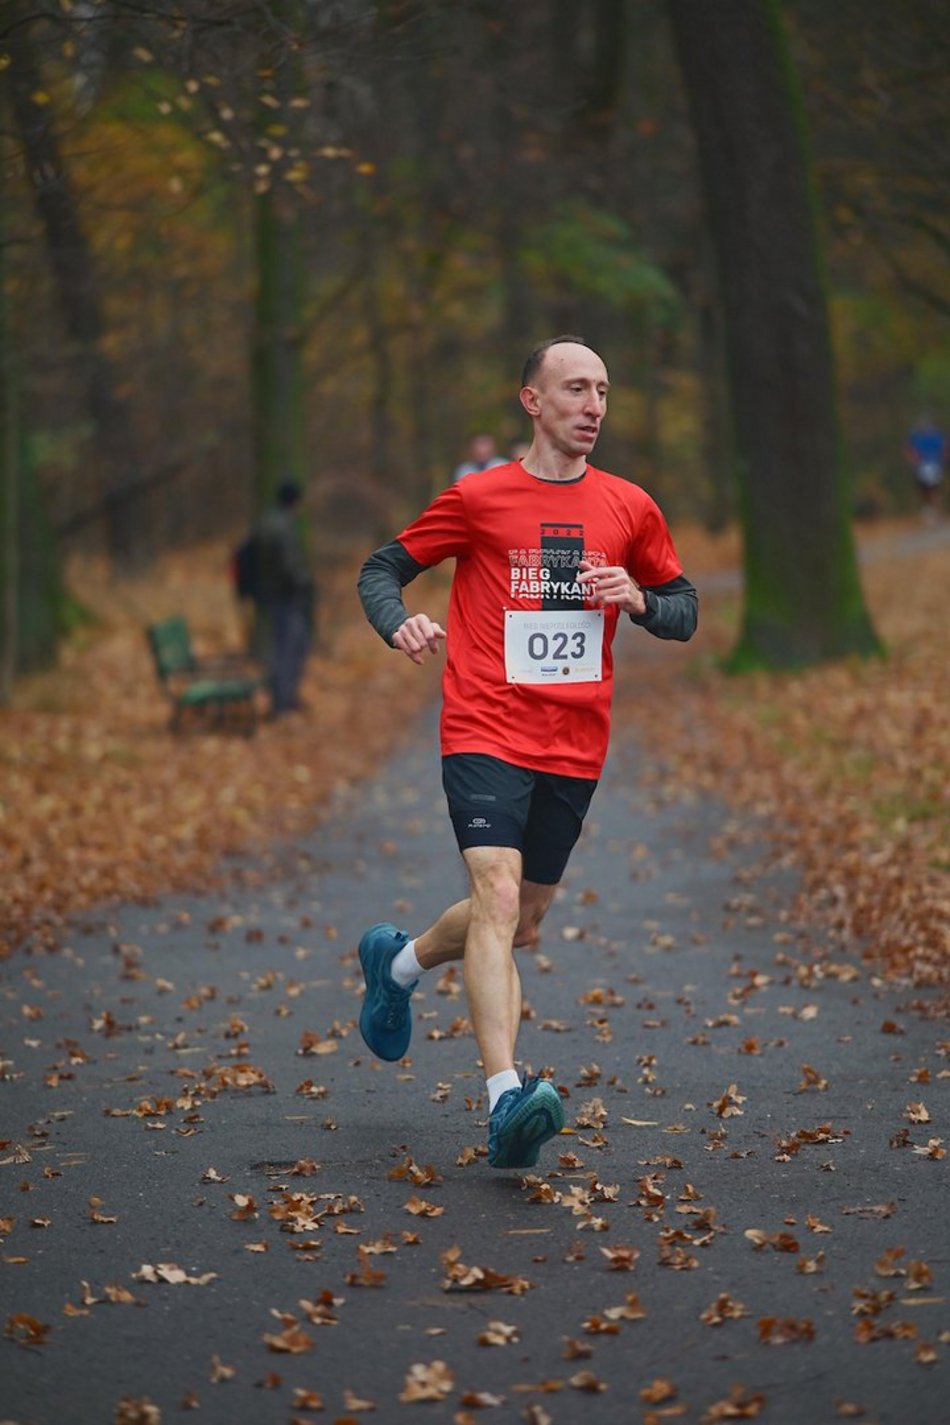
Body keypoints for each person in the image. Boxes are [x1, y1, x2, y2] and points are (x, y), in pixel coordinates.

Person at [356, 336, 698, 1170]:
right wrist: (397, 619)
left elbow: (684, 608)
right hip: (483, 724)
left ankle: (396, 966)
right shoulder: (480, 498)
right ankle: (506, 1097)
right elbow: (381, 568)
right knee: (498, 892)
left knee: (523, 919)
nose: (594, 406)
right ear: (532, 401)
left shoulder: (630, 506)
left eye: (604, 391)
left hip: (575, 740)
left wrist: (642, 600)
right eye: (576, 389)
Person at [251, 480, 316, 716]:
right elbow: (290, 567)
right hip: (286, 597)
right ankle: (282, 702)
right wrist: (304, 584)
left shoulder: (266, 522)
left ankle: (282, 699)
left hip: (270, 596)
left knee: (282, 646)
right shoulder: (283, 526)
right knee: (290, 647)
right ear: (294, 501)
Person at [904, 416, 946, 521]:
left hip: (934, 466)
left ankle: (935, 511)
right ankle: (928, 510)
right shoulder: (915, 436)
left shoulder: (936, 436)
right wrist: (913, 459)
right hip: (920, 468)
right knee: (923, 490)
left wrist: (942, 460)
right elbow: (908, 450)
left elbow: (944, 449)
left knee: (934, 489)